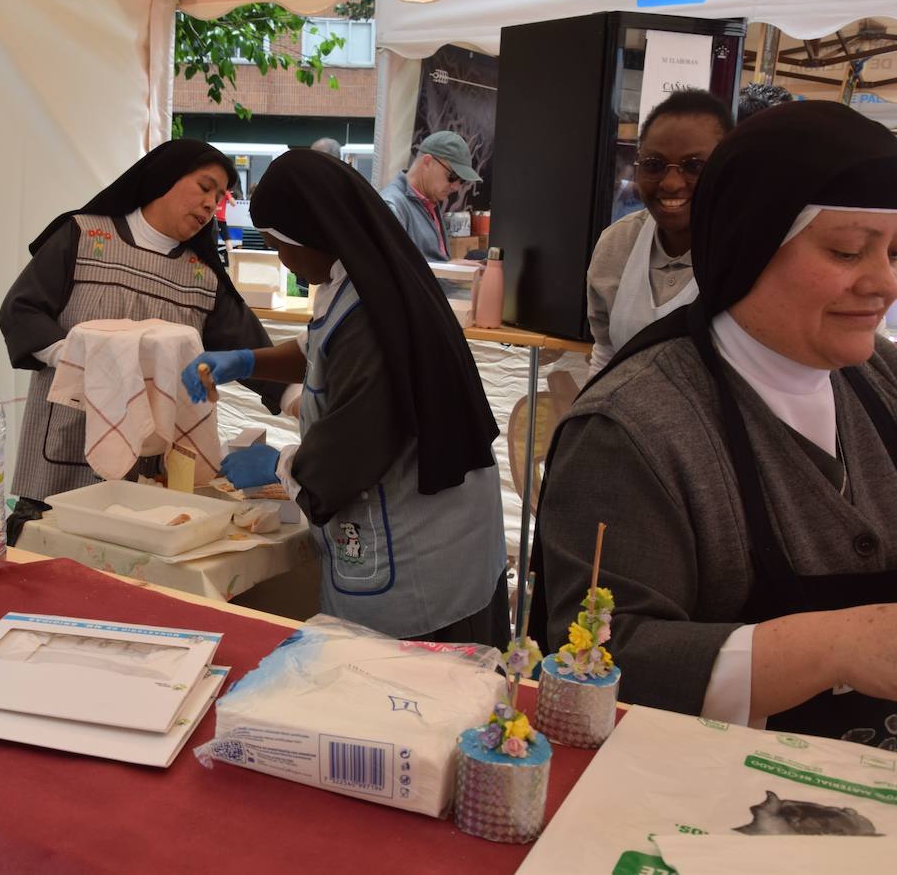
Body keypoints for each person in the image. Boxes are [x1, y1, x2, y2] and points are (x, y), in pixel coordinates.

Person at [533, 101, 897, 743]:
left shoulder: (883, 378)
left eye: (895, 253)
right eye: (847, 251)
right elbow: (595, 660)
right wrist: (833, 646)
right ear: (751, 242)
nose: (884, 283)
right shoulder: (630, 431)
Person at [181, 150, 509, 644]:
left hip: (423, 555)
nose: (284, 260)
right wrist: (246, 361)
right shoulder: (362, 280)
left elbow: (356, 441)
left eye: (281, 246)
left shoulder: (372, 317)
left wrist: (279, 466)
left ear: (313, 235)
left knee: (419, 682)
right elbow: (320, 350)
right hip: (444, 526)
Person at [0, 140, 282, 542]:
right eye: (204, 187)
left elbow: (251, 350)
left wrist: (296, 395)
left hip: (152, 465)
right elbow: (21, 310)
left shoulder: (201, 276)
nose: (210, 204)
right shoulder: (83, 236)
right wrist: (74, 356)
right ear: (164, 178)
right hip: (65, 449)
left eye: (218, 197)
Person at [587, 90, 734, 375]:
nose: (671, 183)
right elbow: (606, 353)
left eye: (694, 167)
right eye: (654, 165)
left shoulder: (751, 253)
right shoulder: (618, 244)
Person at [379, 131, 480, 267]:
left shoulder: (429, 200)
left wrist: (452, 269)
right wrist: (450, 268)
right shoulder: (393, 205)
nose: (456, 186)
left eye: (462, 181)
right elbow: (394, 269)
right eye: (453, 176)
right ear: (427, 162)